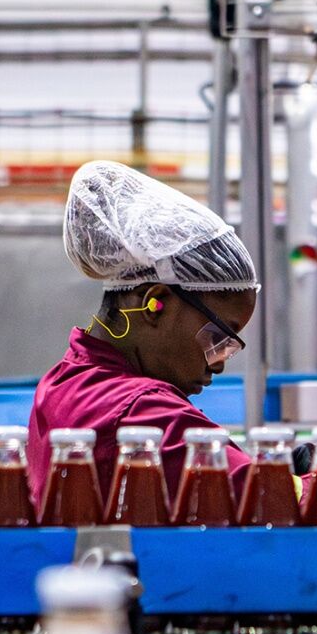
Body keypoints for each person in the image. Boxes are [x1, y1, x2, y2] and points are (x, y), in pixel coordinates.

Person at [26, 161, 260, 507]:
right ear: (157, 302)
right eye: (218, 337)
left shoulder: (62, 381)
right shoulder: (142, 412)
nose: (219, 364)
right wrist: (309, 477)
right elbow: (269, 501)